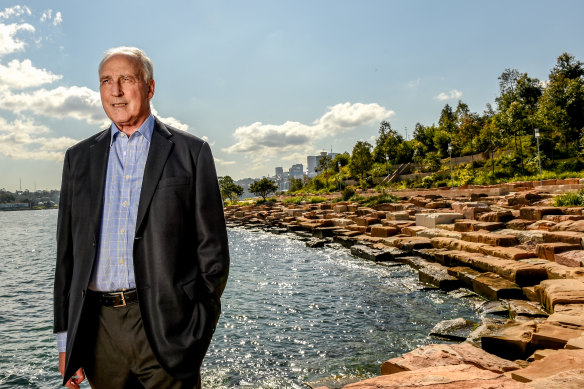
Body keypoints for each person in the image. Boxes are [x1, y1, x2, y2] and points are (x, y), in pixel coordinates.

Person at [54, 46, 230, 388]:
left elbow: (213, 251)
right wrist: (66, 344)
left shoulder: (191, 152)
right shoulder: (77, 159)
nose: (115, 91)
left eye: (126, 79)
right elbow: (67, 260)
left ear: (149, 88)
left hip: (167, 327)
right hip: (98, 332)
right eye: (106, 80)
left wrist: (196, 326)